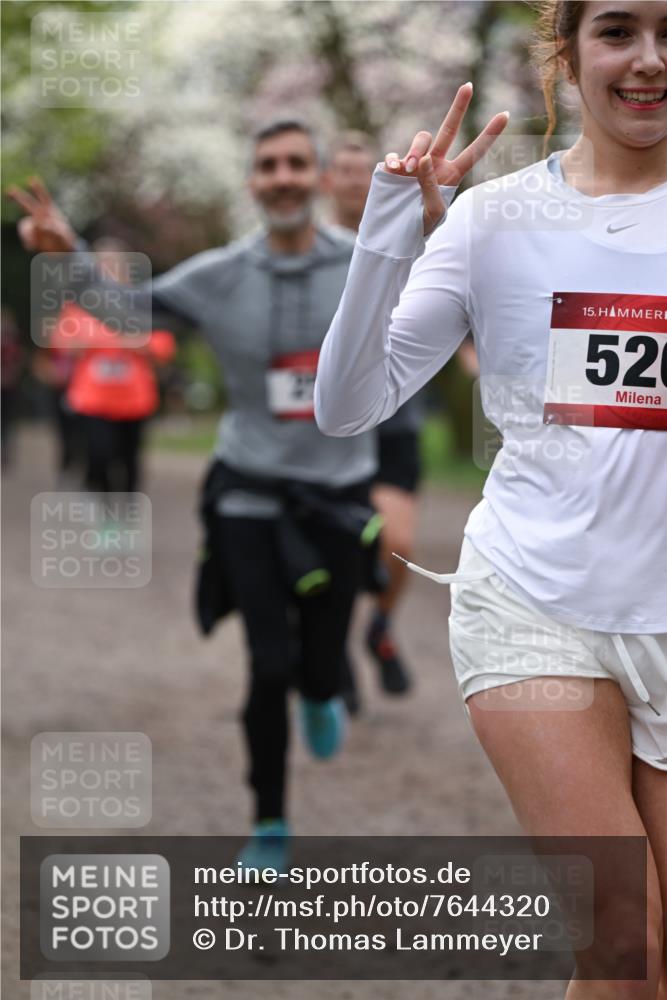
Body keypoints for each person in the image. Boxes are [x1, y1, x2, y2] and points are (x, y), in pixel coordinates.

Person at [315, 1, 666, 995]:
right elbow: (347, 406)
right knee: (622, 946)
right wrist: (389, 228)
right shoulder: (495, 217)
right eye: (618, 31)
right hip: (534, 603)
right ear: (567, 52)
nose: (647, 60)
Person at [9, 120, 377, 874]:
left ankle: (321, 688)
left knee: (315, 659)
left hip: (338, 491)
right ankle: (269, 821)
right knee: (265, 661)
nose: (281, 176)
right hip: (246, 486)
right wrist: (70, 253)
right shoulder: (220, 273)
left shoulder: (366, 266)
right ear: (251, 183)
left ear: (317, 179)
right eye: (267, 165)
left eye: (296, 164)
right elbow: (128, 310)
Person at [326, 131, 424, 702]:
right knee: (335, 548)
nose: (356, 180)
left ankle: (379, 627)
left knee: (399, 543)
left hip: (394, 417)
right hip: (331, 420)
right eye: (344, 171)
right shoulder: (306, 250)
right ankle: (329, 646)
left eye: (366, 171)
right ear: (327, 182)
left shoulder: (409, 242)